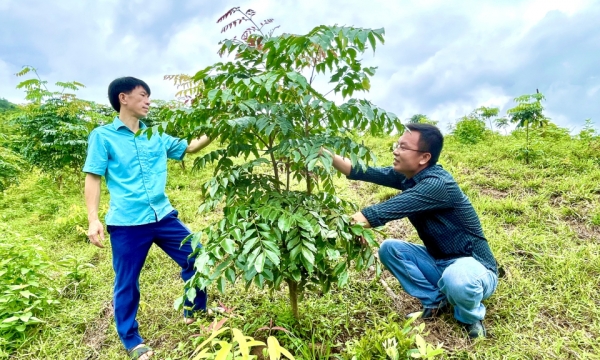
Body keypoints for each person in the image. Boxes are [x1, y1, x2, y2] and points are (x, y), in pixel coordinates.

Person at [328, 123, 498, 338]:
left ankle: (470, 318)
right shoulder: (408, 177)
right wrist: (323, 152)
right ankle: (435, 301)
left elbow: (380, 212)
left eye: (403, 147)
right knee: (390, 249)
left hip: (474, 267)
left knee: (458, 277)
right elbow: (360, 170)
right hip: (439, 260)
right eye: (397, 144)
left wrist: (352, 225)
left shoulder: (437, 185)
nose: (396, 151)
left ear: (424, 158)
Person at [84, 77, 212, 359]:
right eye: (143, 95)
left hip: (163, 216)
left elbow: (189, 148)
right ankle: (131, 340)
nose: (148, 101)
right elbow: (93, 176)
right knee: (127, 281)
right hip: (128, 223)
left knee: (196, 256)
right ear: (123, 98)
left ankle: (195, 311)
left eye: (149, 96)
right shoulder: (103, 136)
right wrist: (93, 219)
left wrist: (219, 128)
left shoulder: (156, 135)